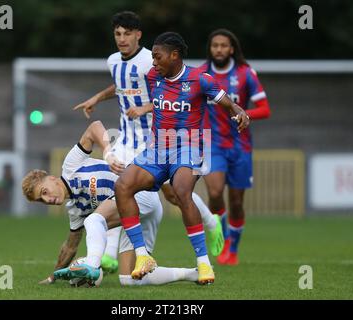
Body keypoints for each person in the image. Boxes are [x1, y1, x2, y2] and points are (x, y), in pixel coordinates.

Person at [73, 11, 224, 258]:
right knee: (118, 191)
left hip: (160, 138)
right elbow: (121, 86)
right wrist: (97, 97)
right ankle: (110, 255)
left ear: (138, 35)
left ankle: (211, 223)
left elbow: (174, 93)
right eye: (118, 34)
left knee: (176, 194)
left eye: (127, 34)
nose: (122, 39)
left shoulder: (150, 61)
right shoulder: (112, 61)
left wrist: (146, 107)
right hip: (126, 139)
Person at [114, 32, 250, 285]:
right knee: (122, 186)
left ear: (174, 55)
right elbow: (124, 89)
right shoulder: (154, 76)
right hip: (157, 148)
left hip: (188, 147)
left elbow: (227, 103)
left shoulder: (199, 79)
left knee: (181, 191)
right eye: (152, 57)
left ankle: (203, 263)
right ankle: (142, 256)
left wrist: (239, 111)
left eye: (158, 57)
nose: (154, 63)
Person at [22, 121, 198, 286]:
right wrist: (54, 276)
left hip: (141, 193)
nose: (47, 200)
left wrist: (108, 153)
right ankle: (191, 274)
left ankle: (91, 265)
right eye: (41, 200)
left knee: (92, 220)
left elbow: (94, 127)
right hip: (142, 212)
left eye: (44, 192)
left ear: (52, 179)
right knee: (129, 279)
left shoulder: (70, 166)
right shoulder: (75, 210)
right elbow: (70, 246)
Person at [201, 29, 271, 265]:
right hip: (212, 144)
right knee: (214, 192)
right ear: (210, 49)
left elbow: (265, 109)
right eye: (215, 45)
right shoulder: (202, 73)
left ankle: (233, 247)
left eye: (223, 45)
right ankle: (219, 236)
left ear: (232, 49)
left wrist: (242, 112)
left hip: (241, 145)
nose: (218, 49)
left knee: (237, 202)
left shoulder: (245, 74)